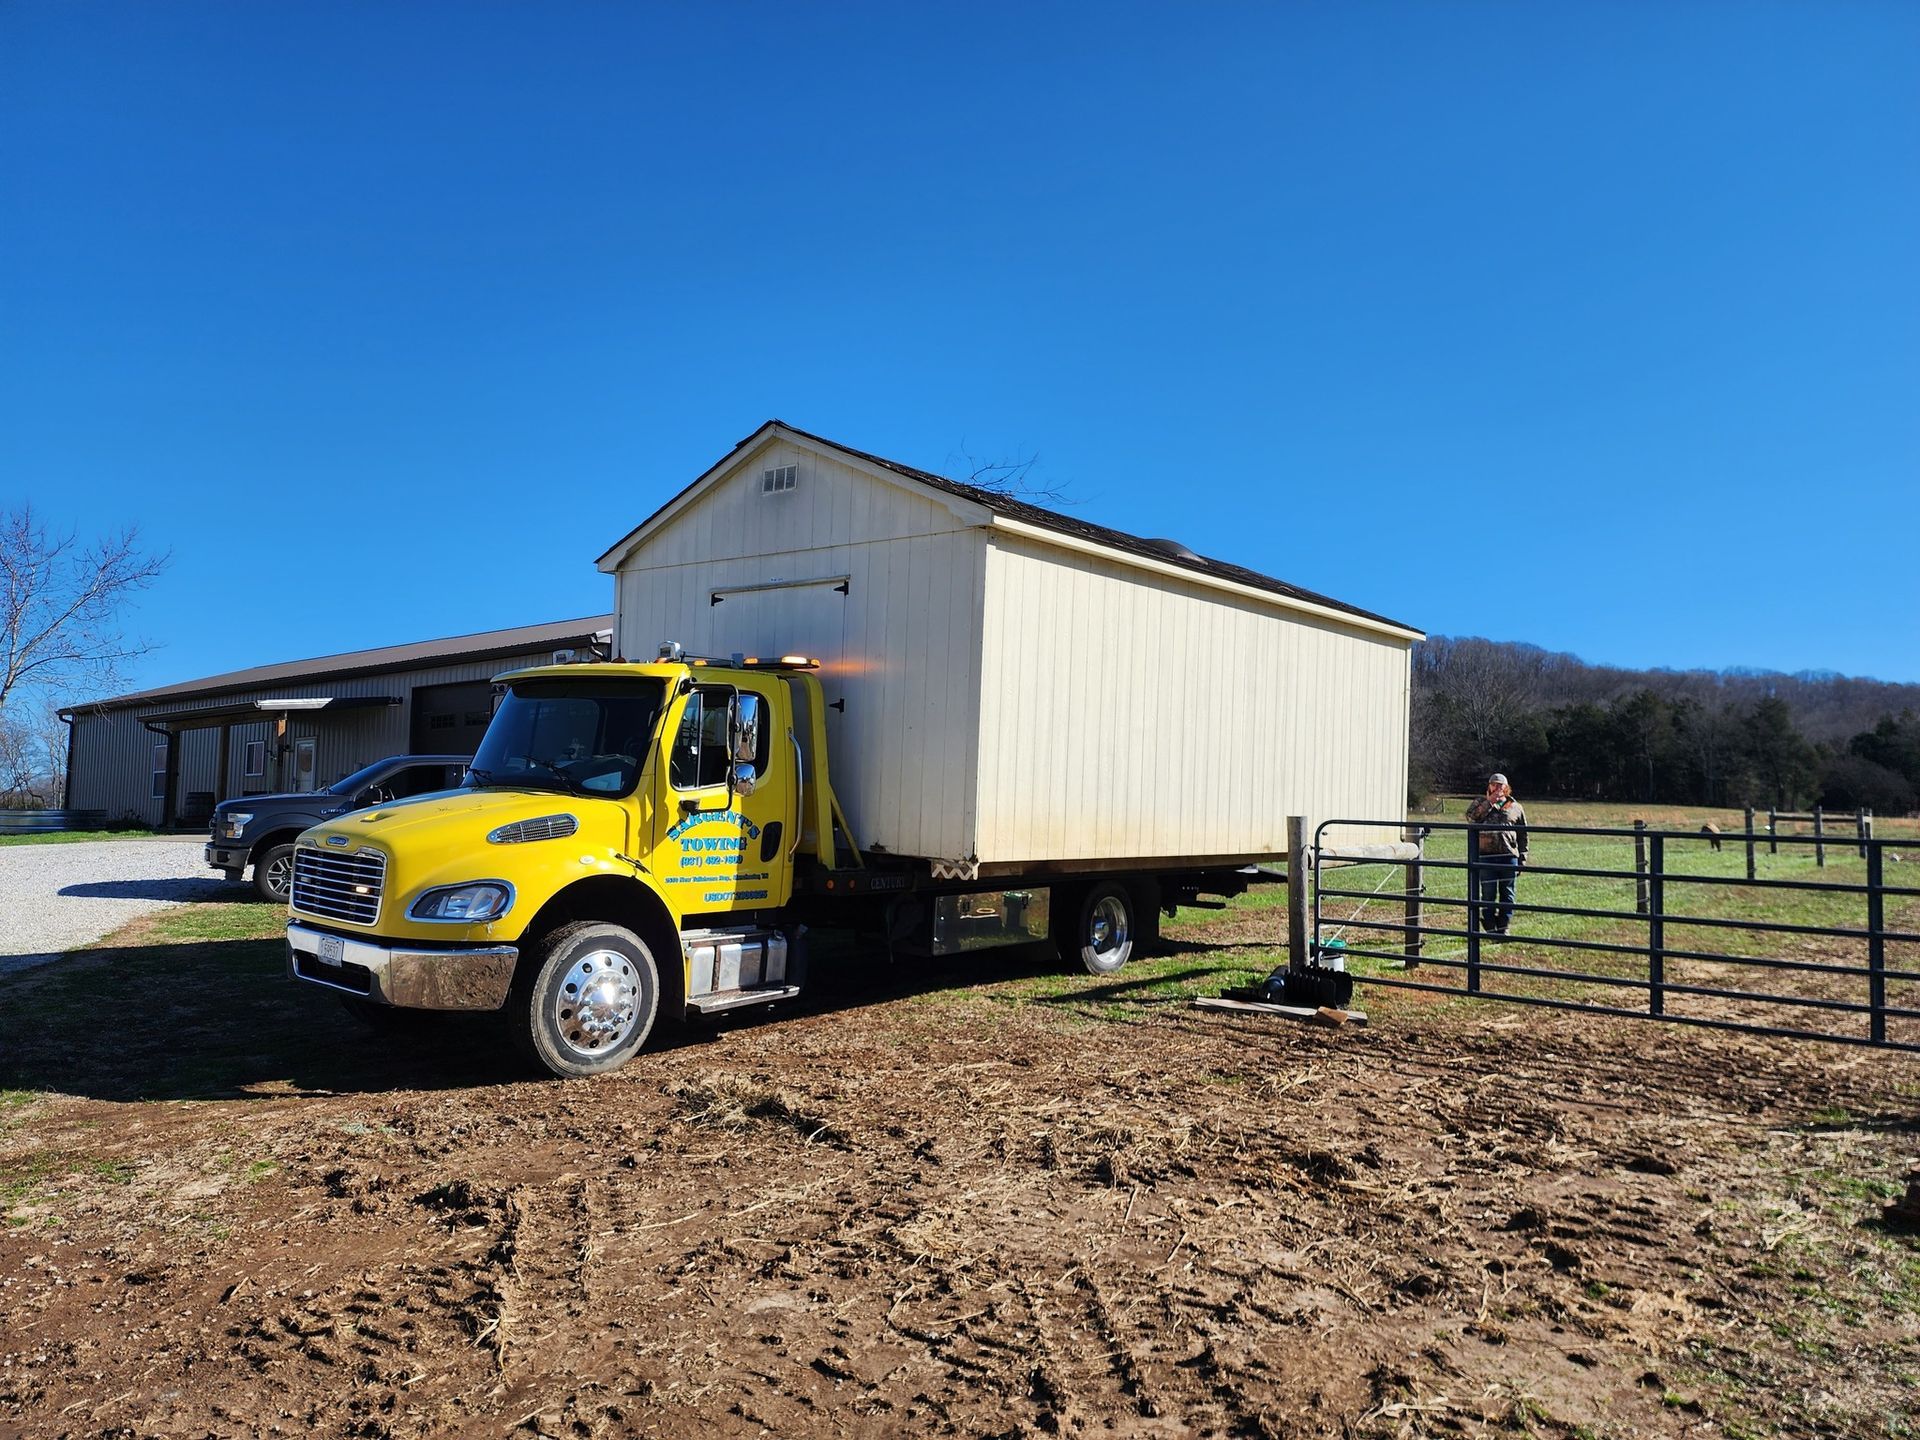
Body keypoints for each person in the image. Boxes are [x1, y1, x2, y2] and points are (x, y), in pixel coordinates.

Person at [1465, 773, 1528, 935]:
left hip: (1509, 856)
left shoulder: (1515, 806)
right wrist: (1489, 803)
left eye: (1501, 785)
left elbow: (1523, 835)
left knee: (1508, 893)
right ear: (1489, 786)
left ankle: (1503, 926)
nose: (1498, 788)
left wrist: (1522, 857)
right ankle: (1490, 925)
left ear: (1507, 788)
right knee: (1488, 893)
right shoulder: (1480, 802)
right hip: (1486, 855)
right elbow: (1471, 817)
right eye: (1495, 784)